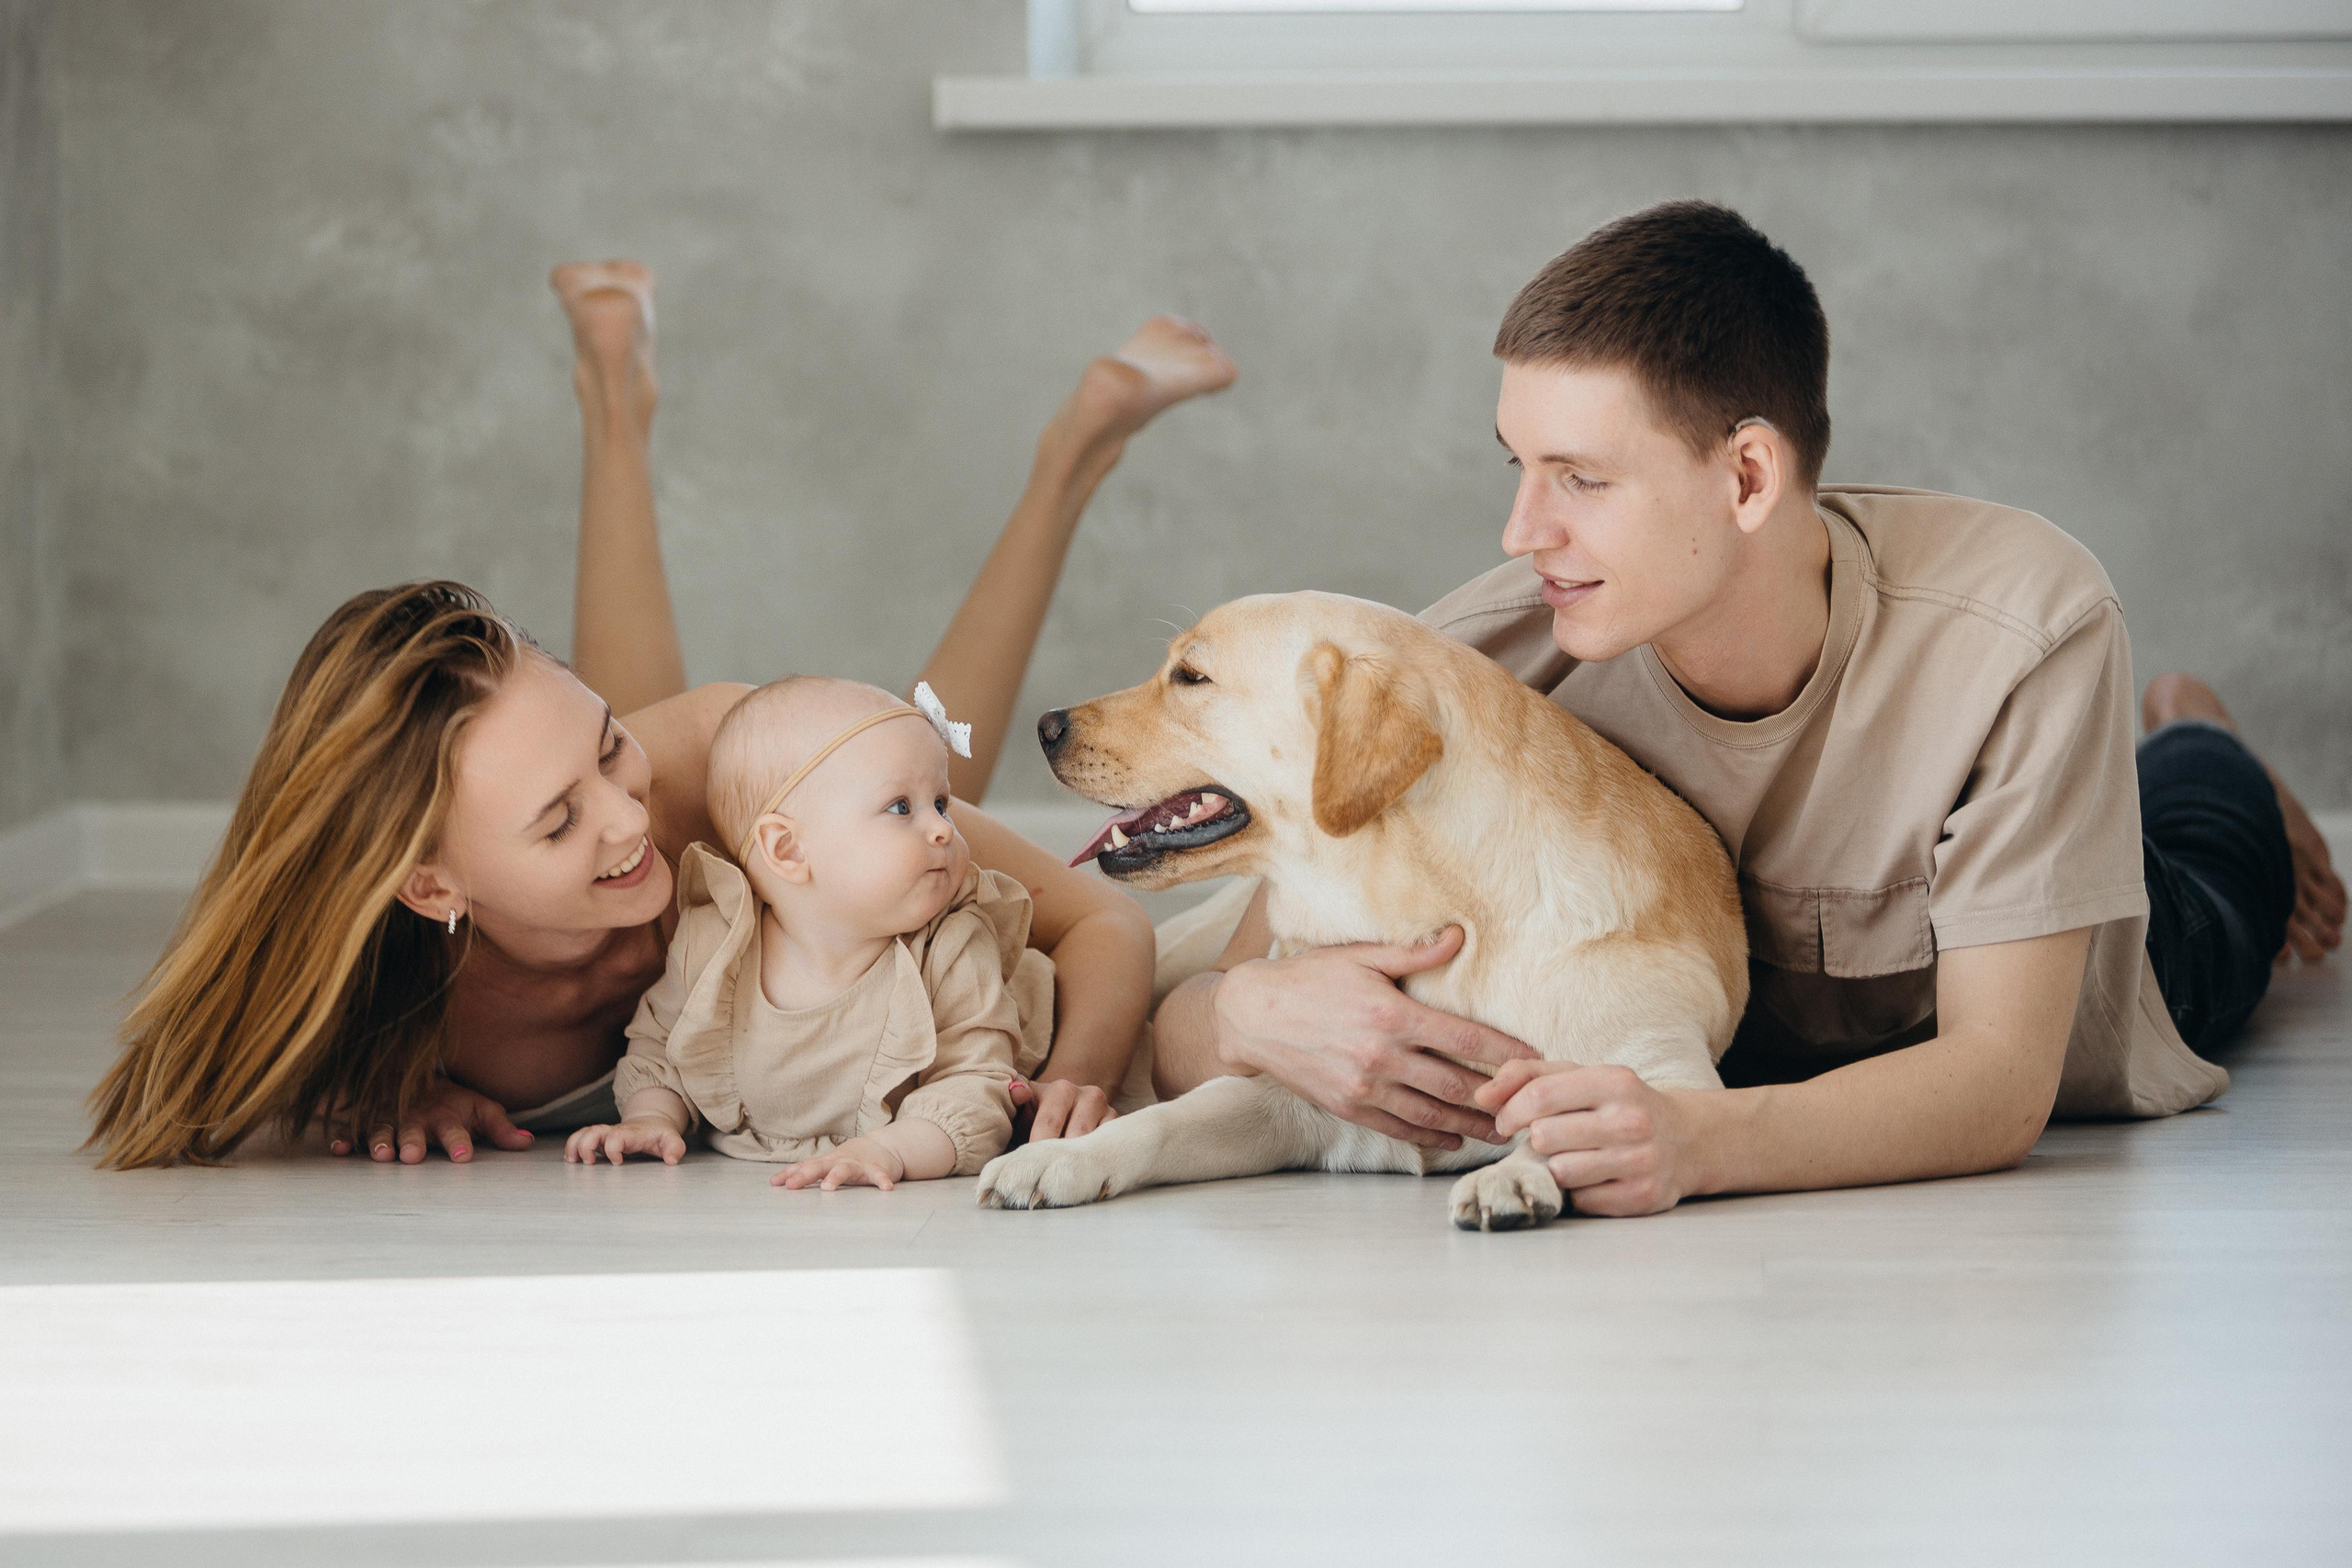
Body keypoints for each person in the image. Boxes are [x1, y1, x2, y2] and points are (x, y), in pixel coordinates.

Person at [1149, 201, 2344, 1217]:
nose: (1523, 533)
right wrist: (1251, 1015)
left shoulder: (2025, 627)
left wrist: (1700, 1142)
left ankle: (2204, 734)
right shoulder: (1470, 675)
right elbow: (1186, 1012)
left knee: (2214, 849)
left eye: (1581, 479)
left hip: (2117, 948)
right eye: (1516, 466)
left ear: (1749, 477)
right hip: (1725, 1040)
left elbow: (1996, 1081)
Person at [87, 263, 1236, 1168]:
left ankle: (1072, 450)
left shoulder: (690, 771)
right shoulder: (377, 985)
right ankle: (614, 386)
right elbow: (196, 1082)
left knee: (915, 780)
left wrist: (1073, 1082)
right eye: (554, 823)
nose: (626, 820)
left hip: (743, 760)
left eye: (602, 747)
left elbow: (1098, 922)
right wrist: (383, 1082)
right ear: (430, 886)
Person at [565, 678, 1052, 1189]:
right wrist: (651, 1119)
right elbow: (663, 1048)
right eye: (901, 807)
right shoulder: (716, 946)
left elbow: (976, 1085)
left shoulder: (951, 947)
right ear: (789, 851)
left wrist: (891, 1150)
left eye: (942, 804)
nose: (943, 829)